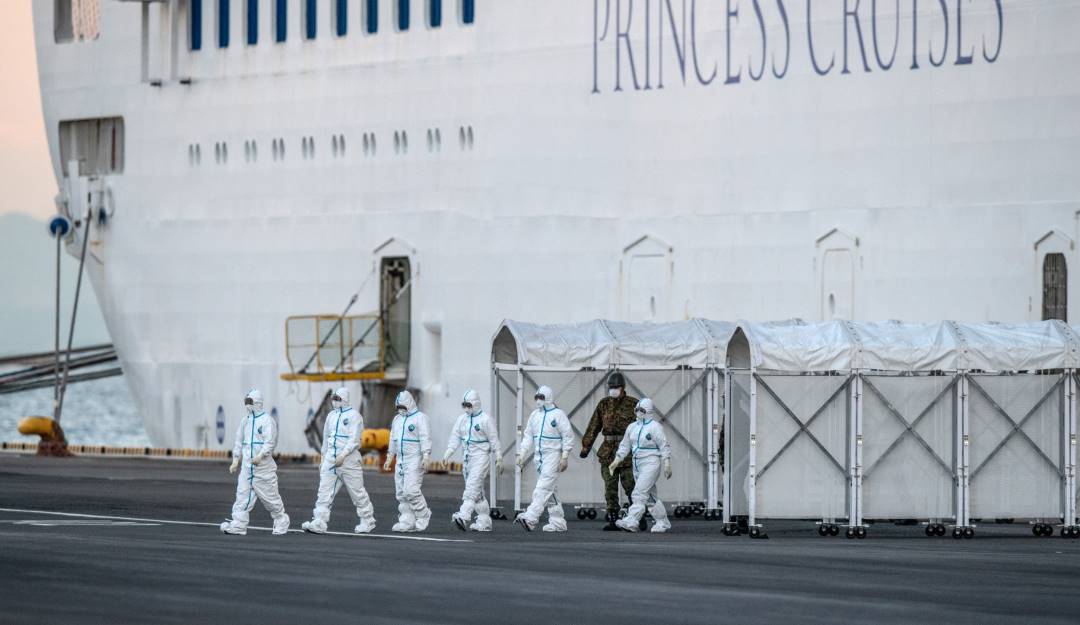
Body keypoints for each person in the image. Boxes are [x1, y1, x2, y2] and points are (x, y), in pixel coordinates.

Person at [301, 387, 377, 534]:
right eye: (333, 399)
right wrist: (323, 458)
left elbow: (354, 439)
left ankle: (368, 520)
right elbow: (326, 439)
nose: (334, 402)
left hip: (349, 461)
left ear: (344, 399)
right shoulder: (331, 416)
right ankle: (320, 521)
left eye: (337, 399)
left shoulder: (355, 416)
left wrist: (343, 455)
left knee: (357, 492)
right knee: (324, 491)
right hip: (331, 459)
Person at [220, 389, 290, 535]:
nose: (247, 405)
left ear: (258, 403)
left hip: (263, 468)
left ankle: (281, 519)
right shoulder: (245, 421)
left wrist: (260, 456)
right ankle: (239, 524)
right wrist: (235, 460)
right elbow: (239, 441)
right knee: (242, 496)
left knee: (270, 498)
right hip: (247, 468)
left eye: (250, 402)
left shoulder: (267, 421)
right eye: (246, 402)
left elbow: (269, 442)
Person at [580, 371, 639, 530]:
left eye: (616, 387)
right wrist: (586, 446)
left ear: (623, 387)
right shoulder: (603, 404)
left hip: (627, 452)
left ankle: (637, 517)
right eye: (611, 387)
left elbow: (642, 428)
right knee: (610, 487)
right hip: (607, 452)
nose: (613, 389)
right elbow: (594, 426)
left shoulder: (634, 404)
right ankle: (613, 518)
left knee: (631, 487)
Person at [515, 385, 574, 532]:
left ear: (548, 398)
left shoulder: (558, 415)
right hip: (539, 457)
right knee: (550, 490)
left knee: (542, 488)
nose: (538, 401)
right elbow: (528, 435)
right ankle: (558, 521)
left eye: (541, 398)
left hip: (553, 456)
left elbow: (568, 436)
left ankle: (531, 517)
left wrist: (564, 456)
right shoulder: (535, 415)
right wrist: (522, 453)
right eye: (537, 397)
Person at [609, 398, 672, 533]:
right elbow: (625, 445)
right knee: (649, 497)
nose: (638, 412)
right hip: (637, 463)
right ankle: (662, 522)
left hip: (651, 462)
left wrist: (667, 462)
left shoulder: (655, 427)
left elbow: (663, 445)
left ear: (648, 411)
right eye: (636, 410)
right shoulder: (632, 427)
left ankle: (632, 520)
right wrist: (616, 461)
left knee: (639, 493)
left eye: (641, 410)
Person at [444, 389, 503, 531]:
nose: (467, 408)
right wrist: (448, 453)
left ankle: (463, 516)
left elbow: (494, 439)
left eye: (469, 405)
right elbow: (455, 437)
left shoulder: (485, 419)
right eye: (464, 405)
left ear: (476, 404)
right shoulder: (462, 419)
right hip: (467, 459)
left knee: (471, 488)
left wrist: (499, 456)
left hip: (481, 458)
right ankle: (484, 520)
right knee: (478, 492)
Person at [384, 390, 432, 532]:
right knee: (401, 493)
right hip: (400, 459)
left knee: (411, 490)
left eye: (403, 407)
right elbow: (393, 438)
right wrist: (389, 457)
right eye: (398, 408)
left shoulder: (420, 418)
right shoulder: (397, 419)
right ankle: (407, 520)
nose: (400, 410)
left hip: (414, 459)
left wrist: (426, 455)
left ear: (409, 404)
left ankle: (423, 514)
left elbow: (425, 437)